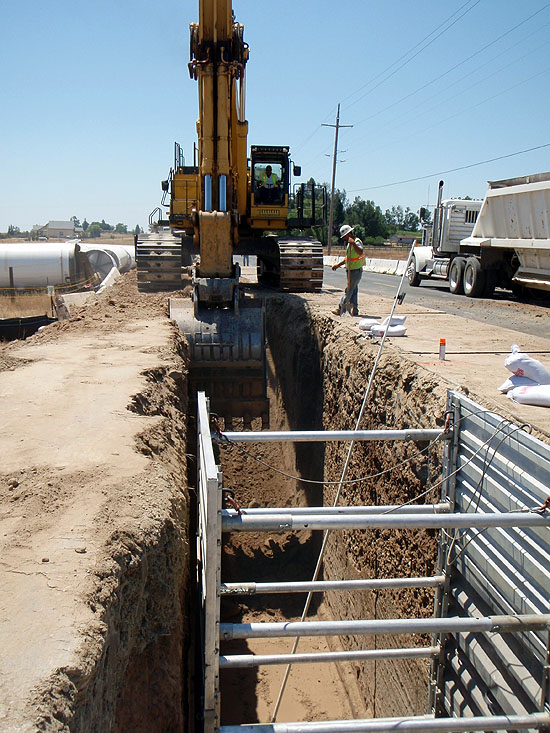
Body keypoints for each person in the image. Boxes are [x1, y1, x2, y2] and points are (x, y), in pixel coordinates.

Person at [331, 224, 364, 316]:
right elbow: (348, 259)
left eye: (344, 236)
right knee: (354, 291)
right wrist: (338, 265)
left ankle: (340, 308)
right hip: (351, 270)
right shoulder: (349, 245)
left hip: (355, 271)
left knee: (349, 291)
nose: (343, 239)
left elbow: (360, 252)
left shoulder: (356, 242)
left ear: (349, 234)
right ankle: (355, 310)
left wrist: (353, 243)